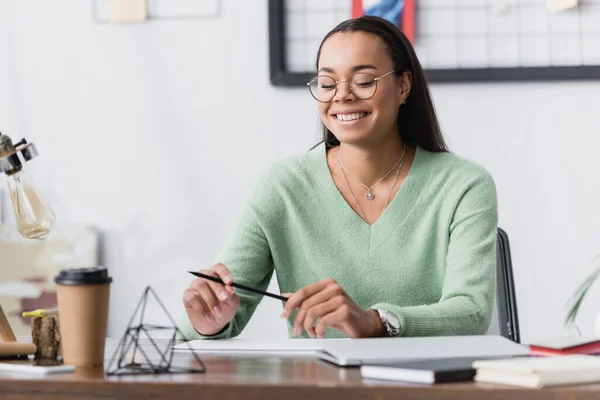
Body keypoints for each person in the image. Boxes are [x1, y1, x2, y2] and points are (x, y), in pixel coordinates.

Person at [179, 15, 498, 340]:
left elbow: (471, 311)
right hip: (317, 387)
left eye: (363, 81)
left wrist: (375, 322)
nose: (341, 96)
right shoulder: (281, 186)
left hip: (427, 387)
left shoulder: (463, 185)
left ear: (403, 85)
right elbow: (208, 318)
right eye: (328, 84)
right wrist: (208, 322)